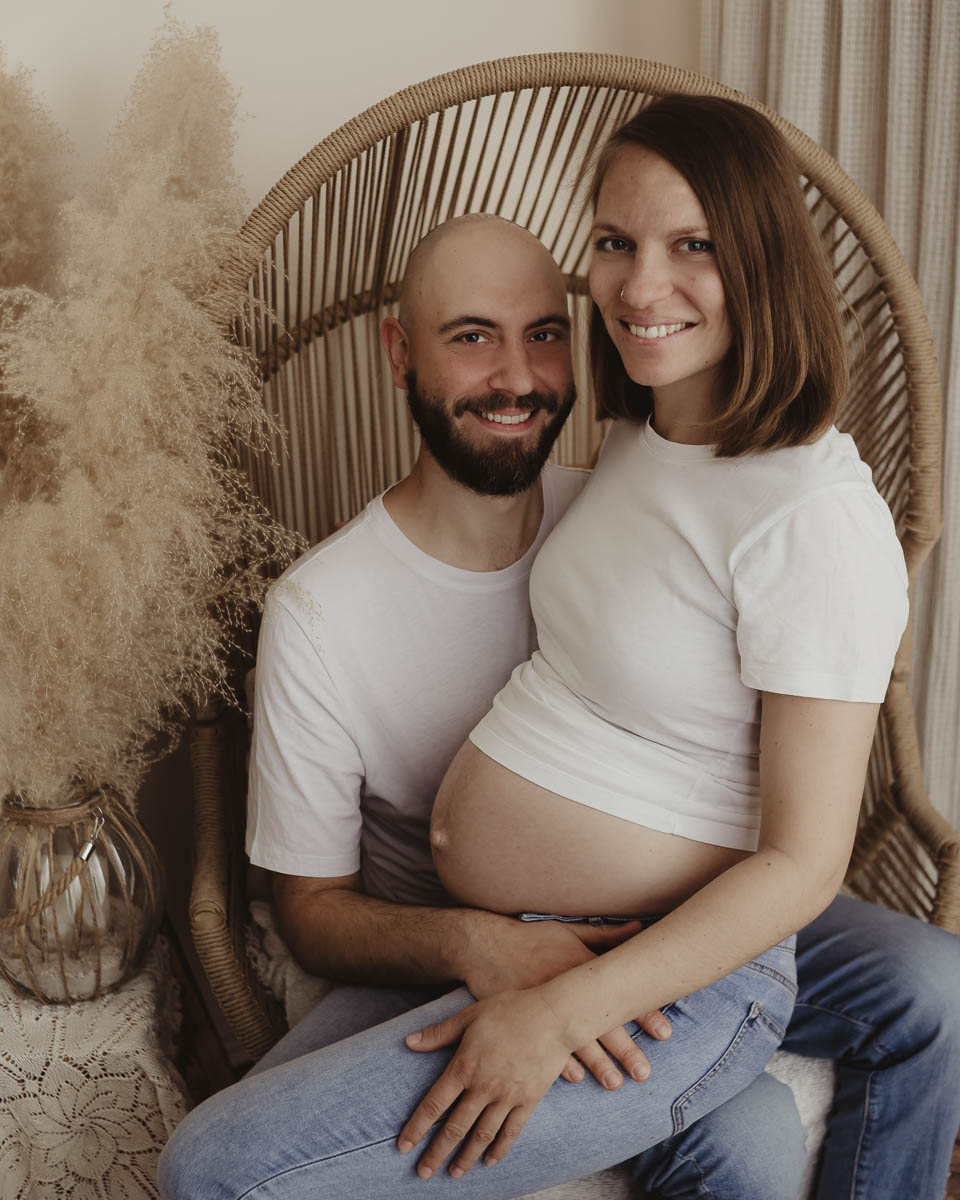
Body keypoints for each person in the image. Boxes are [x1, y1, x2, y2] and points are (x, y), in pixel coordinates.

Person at [158, 101, 960, 1200]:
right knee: (225, 1154)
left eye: (693, 244)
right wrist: (487, 947)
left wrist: (560, 1013)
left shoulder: (809, 512)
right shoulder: (640, 442)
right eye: (616, 242)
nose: (639, 286)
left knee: (217, 1170)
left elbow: (805, 863)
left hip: (663, 970)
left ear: (762, 260)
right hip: (543, 934)